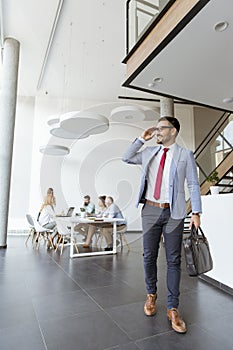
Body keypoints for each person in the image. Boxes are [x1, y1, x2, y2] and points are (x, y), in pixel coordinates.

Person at [122, 116, 202, 334]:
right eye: (156, 128)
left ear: (173, 131)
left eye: (161, 128)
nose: (157, 131)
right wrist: (141, 139)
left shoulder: (185, 155)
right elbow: (126, 158)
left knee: (173, 260)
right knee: (148, 256)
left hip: (174, 212)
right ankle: (151, 295)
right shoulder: (148, 152)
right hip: (149, 209)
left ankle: (173, 308)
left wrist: (196, 212)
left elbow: (193, 184)